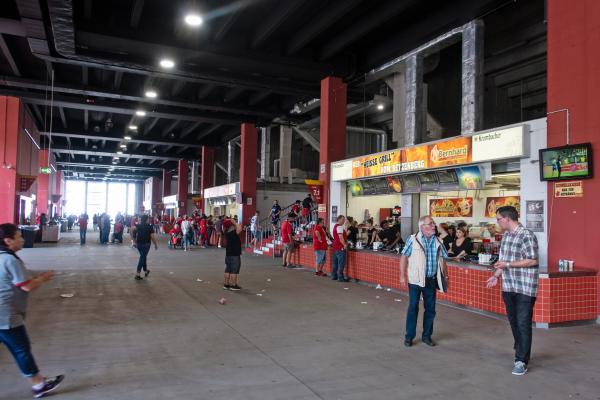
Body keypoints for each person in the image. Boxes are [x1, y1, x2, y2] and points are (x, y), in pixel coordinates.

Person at [0, 223, 65, 398]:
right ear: (8, 240)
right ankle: (39, 385)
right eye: (19, 236)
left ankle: (38, 380)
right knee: (21, 349)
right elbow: (26, 286)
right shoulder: (9, 260)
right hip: (6, 315)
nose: (22, 239)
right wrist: (43, 278)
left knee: (18, 349)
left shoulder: (5, 257)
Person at [486, 205, 539, 376]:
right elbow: (503, 260)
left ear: (508, 218)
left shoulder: (527, 235)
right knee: (514, 321)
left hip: (525, 287)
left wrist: (508, 265)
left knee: (523, 322)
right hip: (508, 286)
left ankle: (521, 360)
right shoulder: (506, 236)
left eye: (498, 219)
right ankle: (521, 347)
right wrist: (496, 275)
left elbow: (532, 260)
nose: (497, 222)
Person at [400, 215, 448, 347]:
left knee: (431, 310)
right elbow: (404, 256)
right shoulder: (413, 239)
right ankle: (409, 336)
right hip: (415, 280)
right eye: (430, 223)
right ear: (422, 226)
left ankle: (427, 336)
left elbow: (443, 259)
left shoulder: (438, 241)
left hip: (431, 280)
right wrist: (402, 276)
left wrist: (446, 276)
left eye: (433, 223)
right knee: (413, 308)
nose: (433, 225)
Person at [130, 215, 158, 280]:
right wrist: (155, 244)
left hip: (139, 244)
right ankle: (137, 274)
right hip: (146, 244)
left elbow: (131, 229)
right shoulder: (150, 227)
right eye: (148, 219)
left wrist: (133, 239)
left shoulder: (138, 226)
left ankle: (145, 271)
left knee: (143, 256)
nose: (149, 220)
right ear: (146, 219)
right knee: (142, 257)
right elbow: (152, 237)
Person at [223, 218, 243, 291]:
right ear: (231, 225)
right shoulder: (233, 232)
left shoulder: (226, 231)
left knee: (228, 269)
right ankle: (233, 285)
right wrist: (235, 223)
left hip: (228, 254)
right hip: (234, 254)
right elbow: (240, 229)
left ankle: (226, 284)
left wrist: (233, 223)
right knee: (234, 270)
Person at [331, 215, 349, 282]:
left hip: (335, 246)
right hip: (340, 247)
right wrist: (344, 244)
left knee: (335, 262)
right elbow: (341, 237)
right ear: (339, 219)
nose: (344, 221)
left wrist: (346, 226)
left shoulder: (335, 226)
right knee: (341, 263)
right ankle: (340, 277)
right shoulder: (339, 227)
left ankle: (334, 276)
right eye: (343, 219)